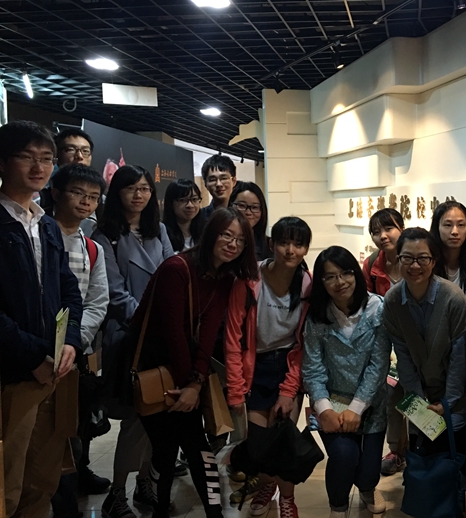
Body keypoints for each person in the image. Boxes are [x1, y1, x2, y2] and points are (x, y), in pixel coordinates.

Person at [133, 208, 258, 518]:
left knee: (194, 446)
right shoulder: (177, 268)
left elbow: (209, 334)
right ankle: (163, 508)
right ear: (211, 234)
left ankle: (206, 512)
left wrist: (196, 382)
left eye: (240, 240)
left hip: (186, 370)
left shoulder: (225, 279)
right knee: (168, 447)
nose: (232, 244)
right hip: (154, 368)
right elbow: (172, 333)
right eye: (226, 235)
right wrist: (189, 384)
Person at [0, 121, 83, 517]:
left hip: (52, 372)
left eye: (47, 158)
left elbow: (69, 291)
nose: (39, 167)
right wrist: (34, 354)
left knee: (42, 481)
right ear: (3, 162)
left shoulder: (45, 223)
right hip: (12, 374)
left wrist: (71, 342)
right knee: (6, 484)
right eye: (26, 157)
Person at [92, 165, 175, 518]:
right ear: (117, 193)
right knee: (136, 419)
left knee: (158, 417)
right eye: (131, 189)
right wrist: (150, 320)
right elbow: (114, 292)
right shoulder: (105, 235)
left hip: (164, 336)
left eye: (145, 189)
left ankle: (144, 483)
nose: (138, 195)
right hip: (130, 338)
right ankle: (117, 494)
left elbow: (173, 274)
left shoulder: (160, 230)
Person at [226, 216, 313, 518]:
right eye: (284, 242)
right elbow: (233, 339)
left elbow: (304, 344)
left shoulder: (307, 285)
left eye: (298, 244)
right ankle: (266, 486)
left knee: (284, 437)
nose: (290, 250)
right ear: (272, 244)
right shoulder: (250, 280)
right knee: (259, 441)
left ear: (306, 249)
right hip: (255, 367)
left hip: (287, 365)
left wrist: (289, 390)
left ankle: (287, 498)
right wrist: (235, 390)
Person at [382, 227, 466, 476]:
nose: (415, 265)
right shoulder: (392, 301)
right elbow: (403, 358)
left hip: (461, 391)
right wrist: (420, 404)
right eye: (407, 258)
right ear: (398, 259)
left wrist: (447, 404)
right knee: (425, 450)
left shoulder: (453, 298)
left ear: (434, 261)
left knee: (451, 442)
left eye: (423, 258)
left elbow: (460, 360)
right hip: (423, 393)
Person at [303, 246, 391, 518]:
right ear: (321, 282)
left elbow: (379, 365)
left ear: (356, 274)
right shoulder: (317, 316)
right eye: (330, 277)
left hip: (371, 404)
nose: (339, 282)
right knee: (344, 455)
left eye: (345, 273)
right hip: (332, 404)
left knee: (368, 470)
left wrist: (357, 407)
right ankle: (338, 506)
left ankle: (367, 488)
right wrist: (324, 409)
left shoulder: (377, 308)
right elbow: (312, 368)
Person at [49, 164, 111, 517]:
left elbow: (97, 301)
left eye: (93, 197)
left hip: (73, 357)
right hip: (33, 352)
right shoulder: (38, 235)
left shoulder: (92, 249)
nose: (86, 202)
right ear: (56, 192)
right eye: (78, 193)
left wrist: (74, 342)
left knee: (71, 436)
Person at [361, 208, 408, 476]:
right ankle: (396, 451)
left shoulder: (413, 257)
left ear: (402, 228)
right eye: (376, 232)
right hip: (387, 342)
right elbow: (366, 305)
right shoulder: (371, 265)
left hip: (418, 339)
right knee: (392, 396)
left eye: (389, 228)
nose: (383, 236)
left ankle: (420, 448)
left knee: (420, 393)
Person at [38, 127, 98, 233]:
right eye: (70, 150)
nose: (79, 156)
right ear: (56, 155)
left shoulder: (101, 202)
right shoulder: (40, 197)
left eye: (85, 151)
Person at [430, 200, 466, 312]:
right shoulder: (428, 267)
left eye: (461, 225)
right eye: (448, 225)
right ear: (437, 228)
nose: (455, 231)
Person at [229, 181, 270, 260]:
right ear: (231, 205)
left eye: (254, 207)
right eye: (241, 205)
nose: (248, 212)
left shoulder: (269, 245)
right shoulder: (220, 241)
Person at [163, 179, 204, 252]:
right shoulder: (162, 234)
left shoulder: (206, 231)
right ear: (171, 203)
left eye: (194, 199)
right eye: (182, 200)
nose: (190, 205)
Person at [200, 154, 237, 221]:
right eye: (212, 179)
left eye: (224, 178)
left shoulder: (241, 214)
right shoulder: (199, 217)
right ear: (205, 184)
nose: (218, 184)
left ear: (233, 181)